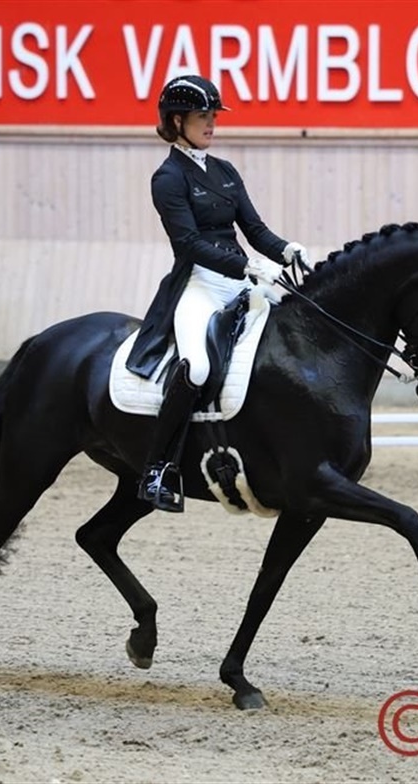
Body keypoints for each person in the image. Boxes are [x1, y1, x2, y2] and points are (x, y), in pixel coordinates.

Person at [126, 74, 308, 513]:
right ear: (177, 121)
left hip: (241, 279)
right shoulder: (168, 177)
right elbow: (188, 243)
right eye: (202, 116)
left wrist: (286, 250)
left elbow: (255, 230)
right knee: (198, 367)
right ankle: (158, 469)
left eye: (213, 116)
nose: (211, 124)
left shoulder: (225, 171)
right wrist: (247, 265)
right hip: (200, 283)